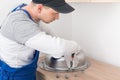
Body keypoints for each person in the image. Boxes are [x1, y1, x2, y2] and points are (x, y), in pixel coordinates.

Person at [0, 0, 81, 80]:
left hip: (24, 70)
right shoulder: (19, 23)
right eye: (55, 13)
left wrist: (60, 52)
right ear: (39, 8)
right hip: (15, 75)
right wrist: (75, 47)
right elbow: (59, 48)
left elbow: (43, 30)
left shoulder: (24, 9)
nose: (57, 18)